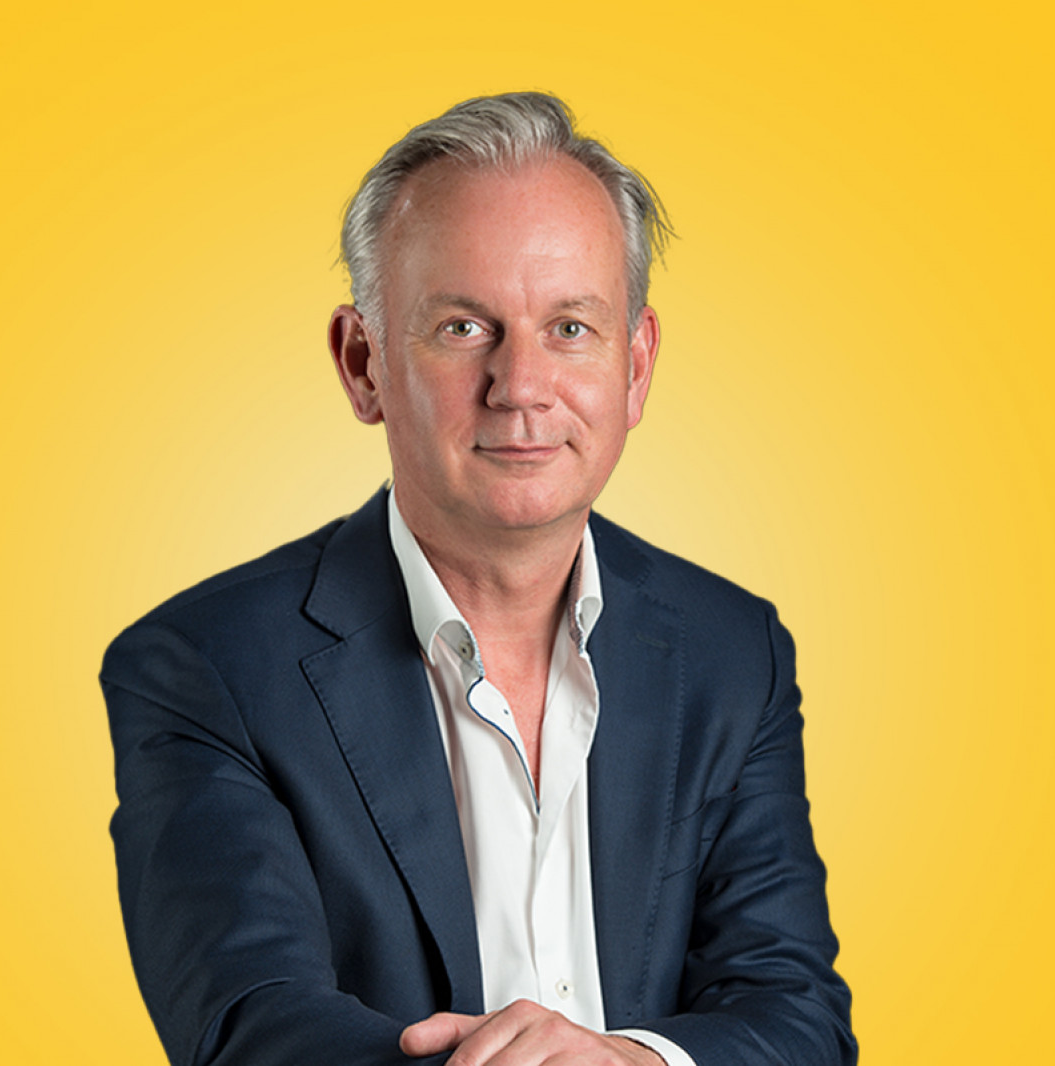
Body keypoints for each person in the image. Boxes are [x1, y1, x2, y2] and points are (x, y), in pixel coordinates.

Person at [102, 92, 856, 1066]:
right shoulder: (207, 666)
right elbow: (250, 1024)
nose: (521, 386)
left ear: (634, 366)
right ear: (363, 363)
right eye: (463, 327)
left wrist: (632, 1061)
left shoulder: (732, 650)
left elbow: (793, 1014)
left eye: (570, 328)